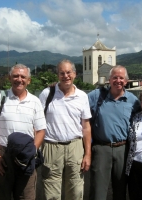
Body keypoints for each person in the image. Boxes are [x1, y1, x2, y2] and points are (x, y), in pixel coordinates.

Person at [0, 64, 46, 200]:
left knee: (26, 196)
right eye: (15, 76)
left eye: (23, 77)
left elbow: (41, 130)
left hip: (26, 157)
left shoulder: (35, 101)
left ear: (28, 80)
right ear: (10, 78)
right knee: (1, 196)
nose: (19, 79)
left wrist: (32, 151)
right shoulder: (1, 98)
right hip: (3, 156)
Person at [39, 59, 92, 200]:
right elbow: (37, 123)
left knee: (75, 190)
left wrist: (87, 154)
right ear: (57, 75)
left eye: (68, 72)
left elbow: (86, 127)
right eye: (62, 73)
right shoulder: (46, 94)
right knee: (51, 193)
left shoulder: (82, 96)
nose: (65, 76)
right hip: (51, 146)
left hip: (75, 147)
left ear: (74, 74)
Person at [88, 65, 141, 200]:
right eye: (115, 77)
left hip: (123, 149)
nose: (118, 80)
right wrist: (55, 88)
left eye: (121, 78)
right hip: (101, 148)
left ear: (126, 81)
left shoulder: (133, 100)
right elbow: (77, 104)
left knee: (120, 189)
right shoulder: (96, 96)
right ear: (109, 80)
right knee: (98, 191)